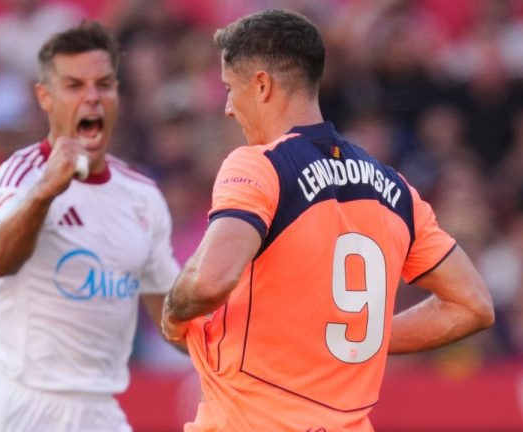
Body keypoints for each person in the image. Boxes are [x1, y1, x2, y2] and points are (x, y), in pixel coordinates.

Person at [161, 9, 495, 431]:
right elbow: (473, 305)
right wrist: (357, 337)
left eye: (230, 88)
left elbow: (210, 281)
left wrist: (173, 310)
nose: (228, 107)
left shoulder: (260, 167)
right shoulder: (393, 187)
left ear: (262, 85)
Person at [0, 22, 180, 432]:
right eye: (74, 85)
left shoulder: (143, 195)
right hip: (19, 403)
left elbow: (173, 319)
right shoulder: (22, 176)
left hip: (99, 410)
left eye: (104, 84)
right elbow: (0, 259)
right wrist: (45, 191)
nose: (91, 98)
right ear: (45, 97)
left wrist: (249, 345)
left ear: (117, 94)